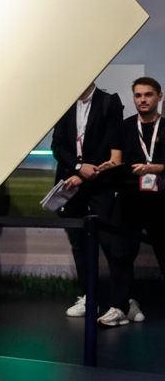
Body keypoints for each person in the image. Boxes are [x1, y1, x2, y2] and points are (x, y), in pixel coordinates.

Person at [51, 82, 125, 319]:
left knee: (110, 243)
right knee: (78, 243)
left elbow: (110, 142)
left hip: (100, 182)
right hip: (70, 181)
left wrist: (87, 171)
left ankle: (119, 303)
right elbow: (57, 146)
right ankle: (89, 298)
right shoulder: (65, 104)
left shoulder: (108, 101)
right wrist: (78, 167)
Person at [100, 77, 165, 326]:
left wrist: (156, 167)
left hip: (161, 200)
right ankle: (120, 305)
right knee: (119, 254)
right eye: (138, 95)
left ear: (159, 97)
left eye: (148, 95)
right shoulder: (123, 128)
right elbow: (116, 161)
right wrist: (109, 167)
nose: (143, 100)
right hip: (129, 200)